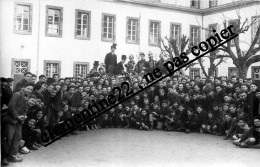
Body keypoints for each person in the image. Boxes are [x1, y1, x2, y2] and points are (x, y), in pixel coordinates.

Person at [4, 82, 34, 162]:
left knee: (17, 138)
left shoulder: (26, 97)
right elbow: (11, 107)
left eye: (31, 89)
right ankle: (5, 157)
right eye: (28, 88)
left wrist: (23, 116)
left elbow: (25, 109)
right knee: (9, 139)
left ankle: (12, 155)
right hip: (11, 120)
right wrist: (17, 116)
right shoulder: (17, 95)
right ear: (23, 87)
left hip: (19, 121)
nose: (30, 90)